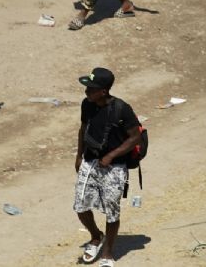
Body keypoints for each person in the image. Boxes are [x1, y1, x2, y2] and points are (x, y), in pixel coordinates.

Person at [74, 67, 142, 267]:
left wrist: (111, 155)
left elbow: (135, 137)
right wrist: (78, 156)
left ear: (103, 91)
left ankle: (108, 252)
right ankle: (96, 236)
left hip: (114, 166)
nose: (86, 92)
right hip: (90, 161)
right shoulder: (87, 104)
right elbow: (83, 129)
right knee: (80, 206)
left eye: (91, 89)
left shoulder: (122, 109)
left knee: (112, 211)